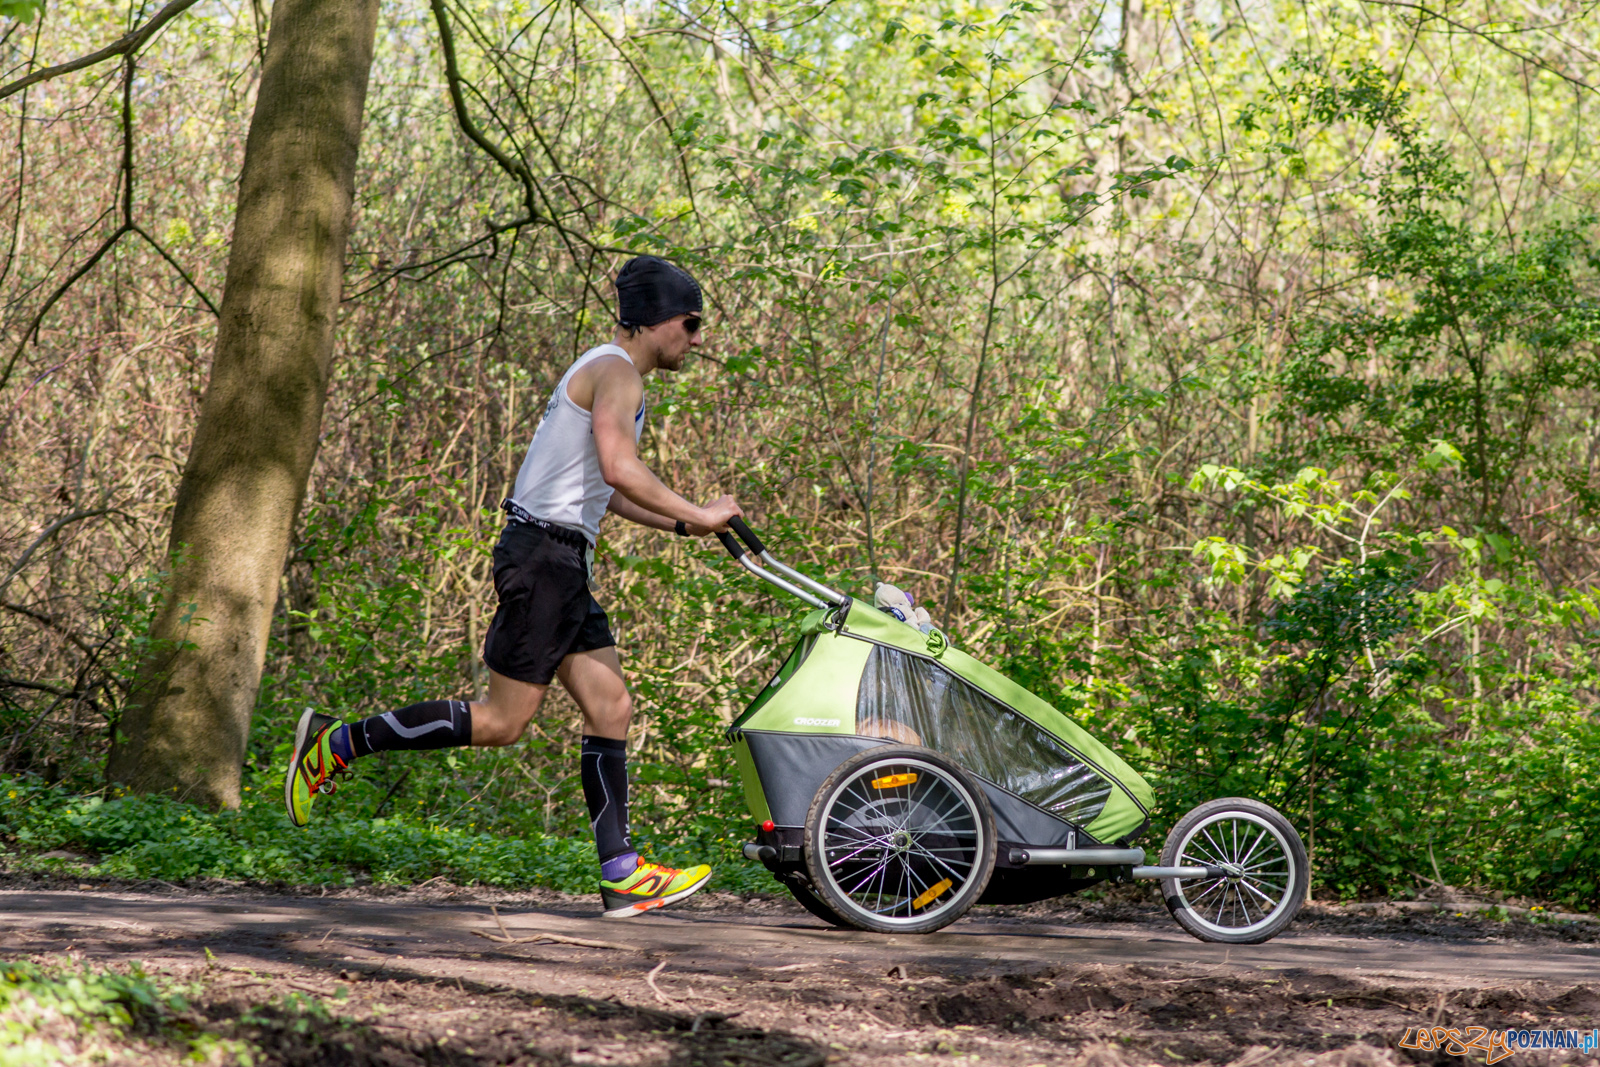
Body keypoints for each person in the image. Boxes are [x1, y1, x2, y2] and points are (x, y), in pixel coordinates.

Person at [283, 255, 741, 917]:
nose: (698, 338)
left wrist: (683, 525)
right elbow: (619, 467)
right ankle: (339, 743)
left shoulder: (611, 371)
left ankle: (622, 874)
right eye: (690, 322)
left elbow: (604, 490)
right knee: (502, 722)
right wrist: (697, 511)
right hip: (544, 559)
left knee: (610, 706)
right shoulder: (617, 372)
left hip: (561, 558)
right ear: (656, 320)